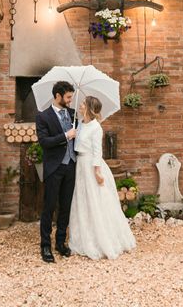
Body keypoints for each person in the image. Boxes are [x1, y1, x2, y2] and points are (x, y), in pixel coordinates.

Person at [68, 95, 136, 260]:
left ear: (89, 108)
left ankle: (103, 239)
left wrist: (97, 171)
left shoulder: (95, 127)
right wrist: (73, 134)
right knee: (83, 201)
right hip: (81, 166)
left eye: (83, 103)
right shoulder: (80, 124)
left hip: (92, 165)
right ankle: (84, 237)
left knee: (96, 200)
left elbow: (97, 151)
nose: (80, 105)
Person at [35, 80, 77, 263]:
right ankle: (45, 245)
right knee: (49, 206)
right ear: (58, 96)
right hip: (54, 167)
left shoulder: (73, 114)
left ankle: (61, 242)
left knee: (66, 206)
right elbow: (44, 142)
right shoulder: (43, 117)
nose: (70, 101)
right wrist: (66, 136)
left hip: (71, 166)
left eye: (71, 97)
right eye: (68, 97)